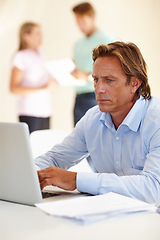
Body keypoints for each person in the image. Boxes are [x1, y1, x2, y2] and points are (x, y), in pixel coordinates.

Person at [36, 41, 160, 207]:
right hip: (113, 216)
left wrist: (76, 180)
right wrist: (28, 173)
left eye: (109, 80)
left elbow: (153, 189)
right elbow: (55, 159)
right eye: (95, 79)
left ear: (134, 84)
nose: (98, 89)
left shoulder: (155, 120)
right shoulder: (92, 119)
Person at [71, 2, 113, 125]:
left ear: (93, 17)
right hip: (79, 98)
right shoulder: (77, 45)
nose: (80, 26)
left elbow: (112, 73)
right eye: (77, 22)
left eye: (83, 22)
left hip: (97, 97)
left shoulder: (107, 40)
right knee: (79, 141)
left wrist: (86, 76)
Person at [10, 22, 55, 133]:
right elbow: (14, 88)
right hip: (29, 112)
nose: (41, 37)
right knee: (32, 147)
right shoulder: (20, 57)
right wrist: (43, 88)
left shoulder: (42, 56)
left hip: (45, 110)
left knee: (44, 147)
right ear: (26, 36)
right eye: (37, 33)